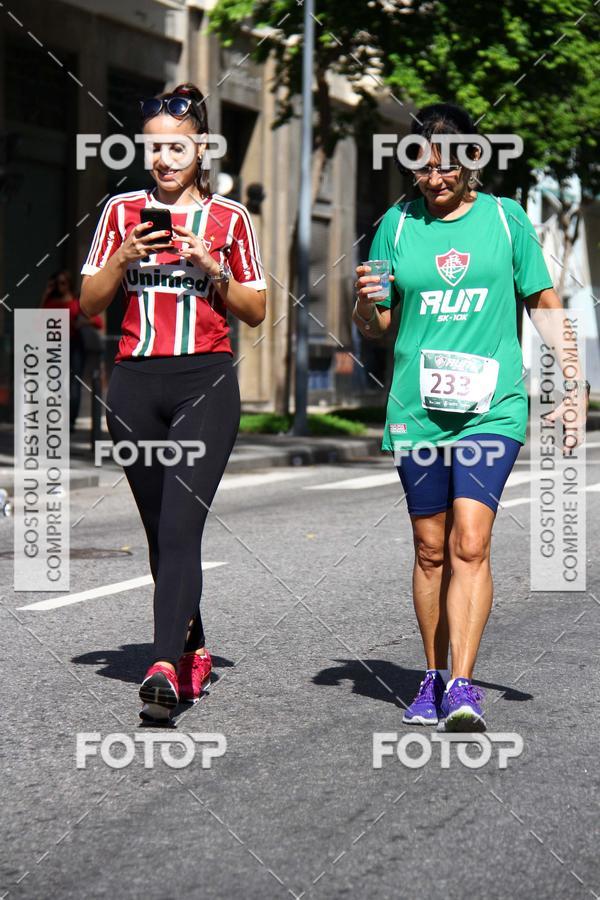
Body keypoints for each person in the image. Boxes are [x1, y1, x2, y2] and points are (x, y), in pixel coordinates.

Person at [353, 103, 588, 731]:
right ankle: (430, 676)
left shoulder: (506, 221)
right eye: (424, 167)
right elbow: (379, 327)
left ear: (473, 160)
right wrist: (363, 306)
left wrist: (573, 382)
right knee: (430, 549)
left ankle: (462, 684)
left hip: (493, 407)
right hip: (418, 408)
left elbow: (543, 303)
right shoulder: (394, 228)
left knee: (470, 540)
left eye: (449, 164)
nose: (436, 178)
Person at [80, 83, 267, 720]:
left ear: (202, 148)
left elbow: (257, 309)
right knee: (162, 534)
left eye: (176, 148)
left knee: (182, 525)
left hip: (205, 384)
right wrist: (124, 256)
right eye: (153, 147)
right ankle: (192, 645)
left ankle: (161, 667)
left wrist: (213, 267)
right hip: (133, 384)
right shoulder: (119, 212)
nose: (162, 159)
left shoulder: (231, 220)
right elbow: (90, 302)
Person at [41, 270, 103, 431]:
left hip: (74, 345)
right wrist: (46, 293)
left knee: (74, 384)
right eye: (56, 283)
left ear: (68, 284)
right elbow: (39, 319)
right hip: (53, 345)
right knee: (54, 383)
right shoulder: (50, 301)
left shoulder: (76, 302)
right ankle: (53, 419)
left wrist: (83, 323)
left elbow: (98, 322)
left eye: (63, 283)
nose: (60, 286)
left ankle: (70, 421)